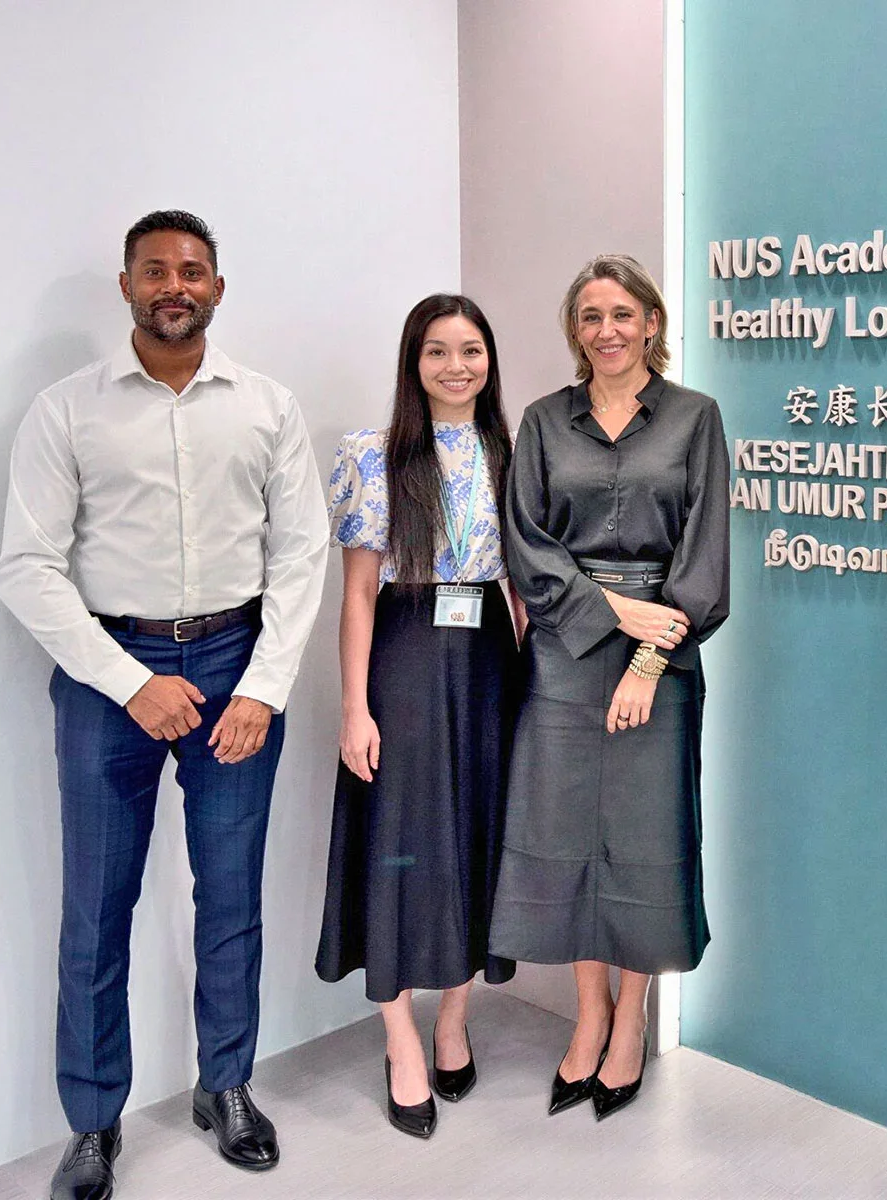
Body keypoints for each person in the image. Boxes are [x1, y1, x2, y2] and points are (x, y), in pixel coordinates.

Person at [0, 211, 327, 1200]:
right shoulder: (67, 411)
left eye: (191, 270)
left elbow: (300, 552)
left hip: (236, 664)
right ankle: (94, 1122)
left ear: (218, 288)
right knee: (96, 912)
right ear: (127, 288)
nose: (172, 284)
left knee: (229, 903)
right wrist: (132, 682)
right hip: (112, 674)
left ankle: (224, 1087)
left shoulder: (266, 406)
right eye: (154, 271)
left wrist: (262, 689)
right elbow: (26, 567)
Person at [490, 254, 729, 1121]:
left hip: (662, 655)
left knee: (642, 840)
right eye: (591, 316)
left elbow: (703, 558)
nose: (608, 330)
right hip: (564, 653)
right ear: (575, 330)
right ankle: (586, 1017)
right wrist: (612, 618)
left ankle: (631, 1019)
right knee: (568, 838)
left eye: (623, 314)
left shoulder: (695, 418)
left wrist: (647, 657)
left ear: (652, 323)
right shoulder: (544, 421)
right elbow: (527, 542)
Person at [315, 293, 519, 1139]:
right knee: (399, 845)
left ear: (489, 361)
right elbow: (358, 594)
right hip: (402, 654)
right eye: (437, 351)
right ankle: (399, 1034)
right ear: (414, 362)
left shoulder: (514, 452)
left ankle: (452, 1018)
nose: (455, 366)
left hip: (488, 666)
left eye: (470, 350)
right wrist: (354, 707)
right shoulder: (372, 455)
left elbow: (523, 585)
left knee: (478, 836)